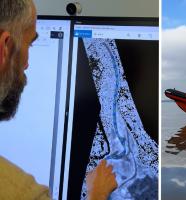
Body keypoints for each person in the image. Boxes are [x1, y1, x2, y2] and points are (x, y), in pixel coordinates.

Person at [0, 1, 117, 199]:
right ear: (5, 46)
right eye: (29, 43)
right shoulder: (20, 191)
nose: (26, 64)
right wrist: (97, 193)